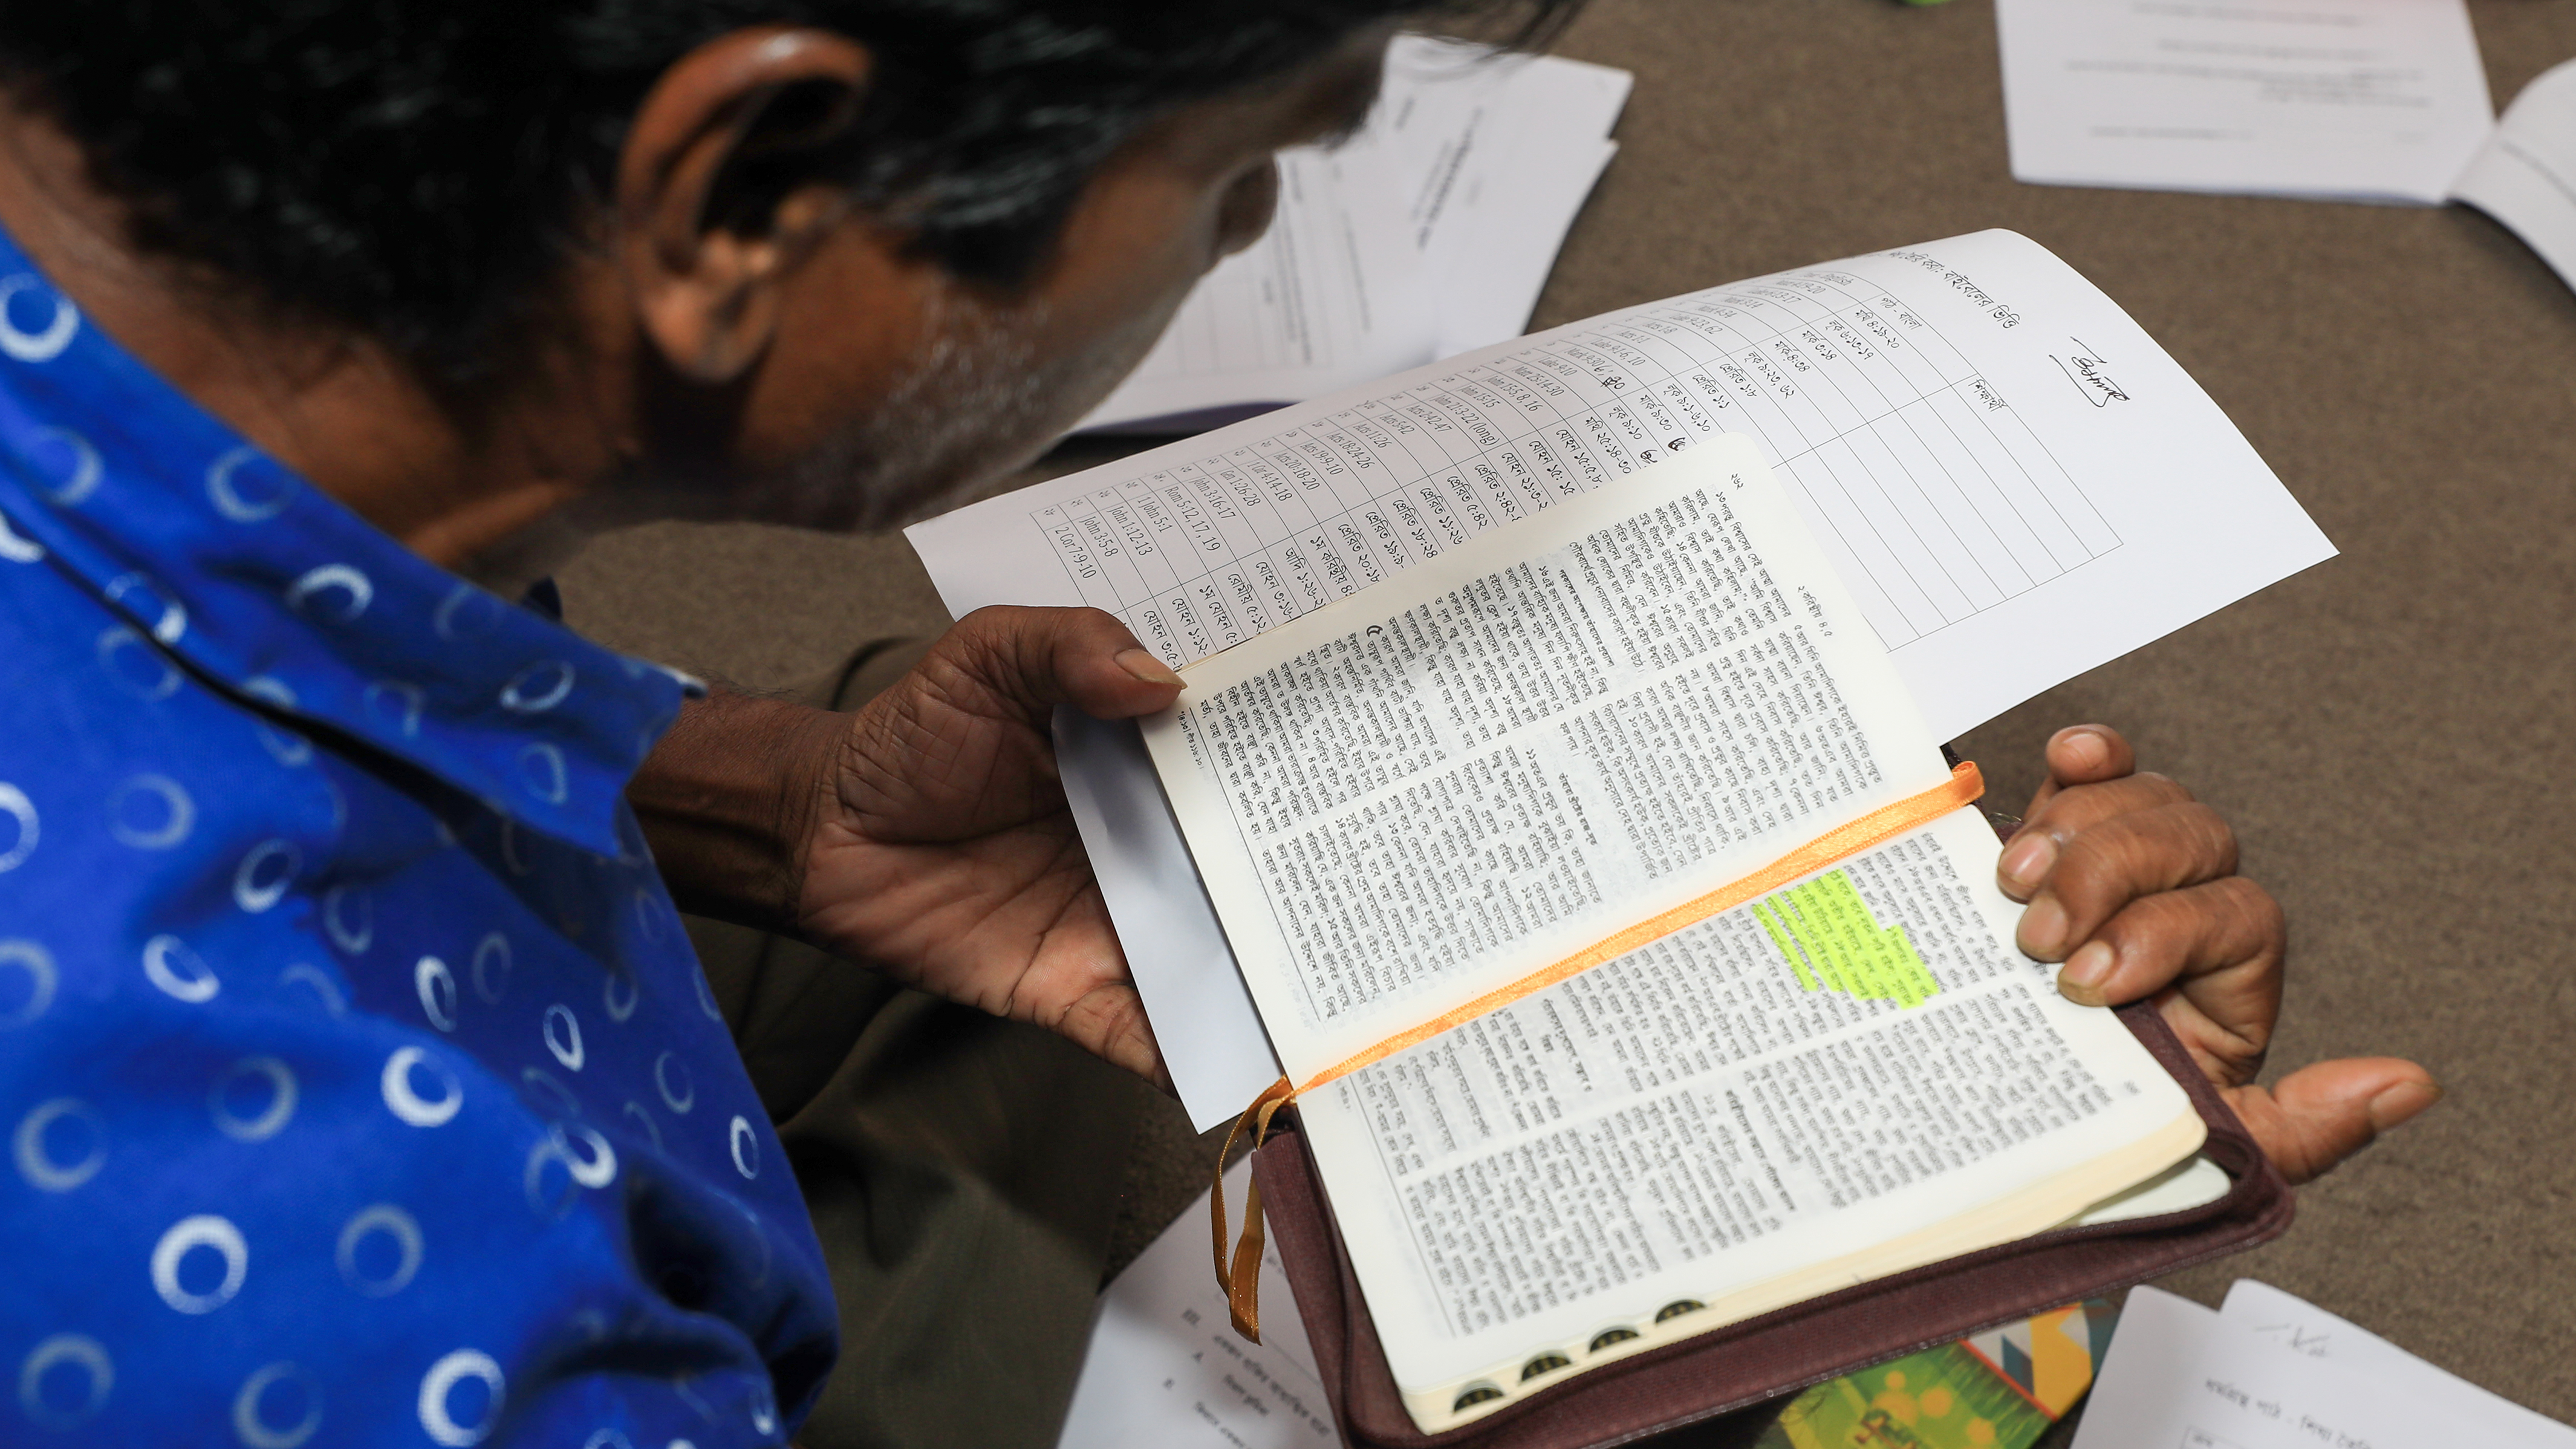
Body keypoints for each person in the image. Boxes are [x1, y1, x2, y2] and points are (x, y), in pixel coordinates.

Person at [0, 2, 2439, 1445]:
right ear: (748, 190)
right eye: (1243, 174)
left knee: (1152, 834)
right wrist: (1946, 1332)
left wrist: (751, 801)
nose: (1252, 247)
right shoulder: (363, 1282)